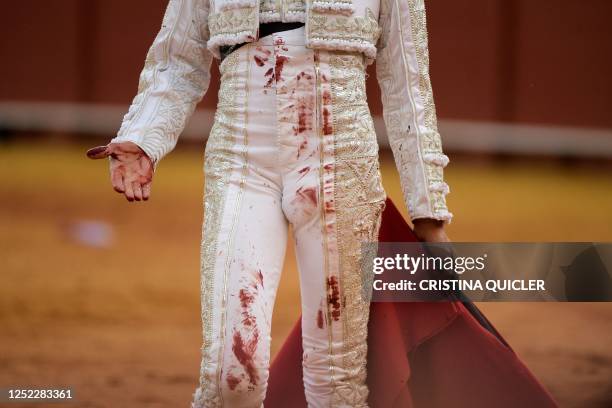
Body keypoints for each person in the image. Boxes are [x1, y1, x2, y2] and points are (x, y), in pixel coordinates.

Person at [87, 0, 455, 406]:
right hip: (242, 156)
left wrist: (429, 209)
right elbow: (177, 60)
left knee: (337, 382)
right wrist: (143, 135)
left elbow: (408, 82)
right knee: (231, 376)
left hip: (341, 159)